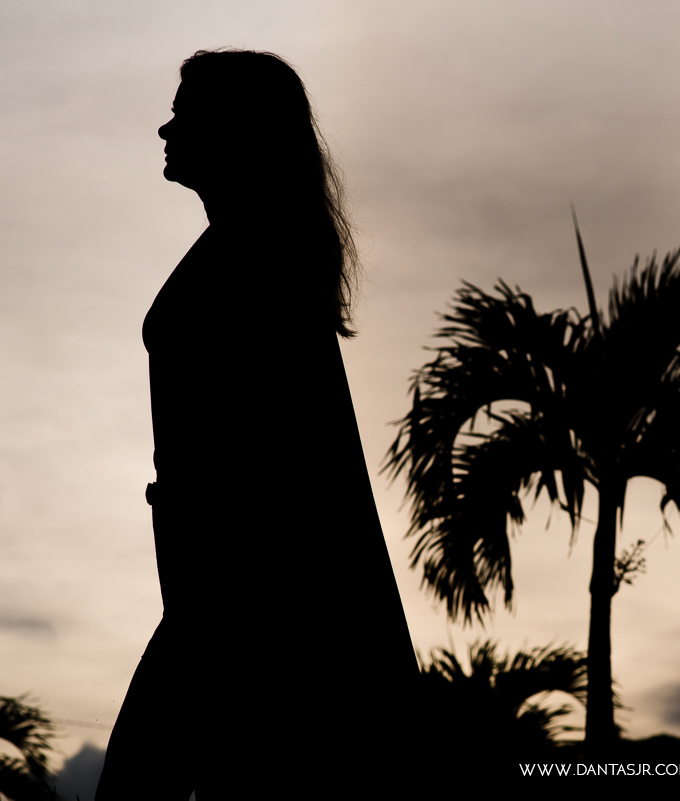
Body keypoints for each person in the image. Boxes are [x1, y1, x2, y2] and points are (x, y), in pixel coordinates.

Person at [95, 50, 420, 799]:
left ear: (235, 129)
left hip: (244, 593)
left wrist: (220, 593)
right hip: (223, 587)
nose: (165, 127)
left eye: (186, 113)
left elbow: (280, 457)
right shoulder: (250, 248)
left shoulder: (257, 258)